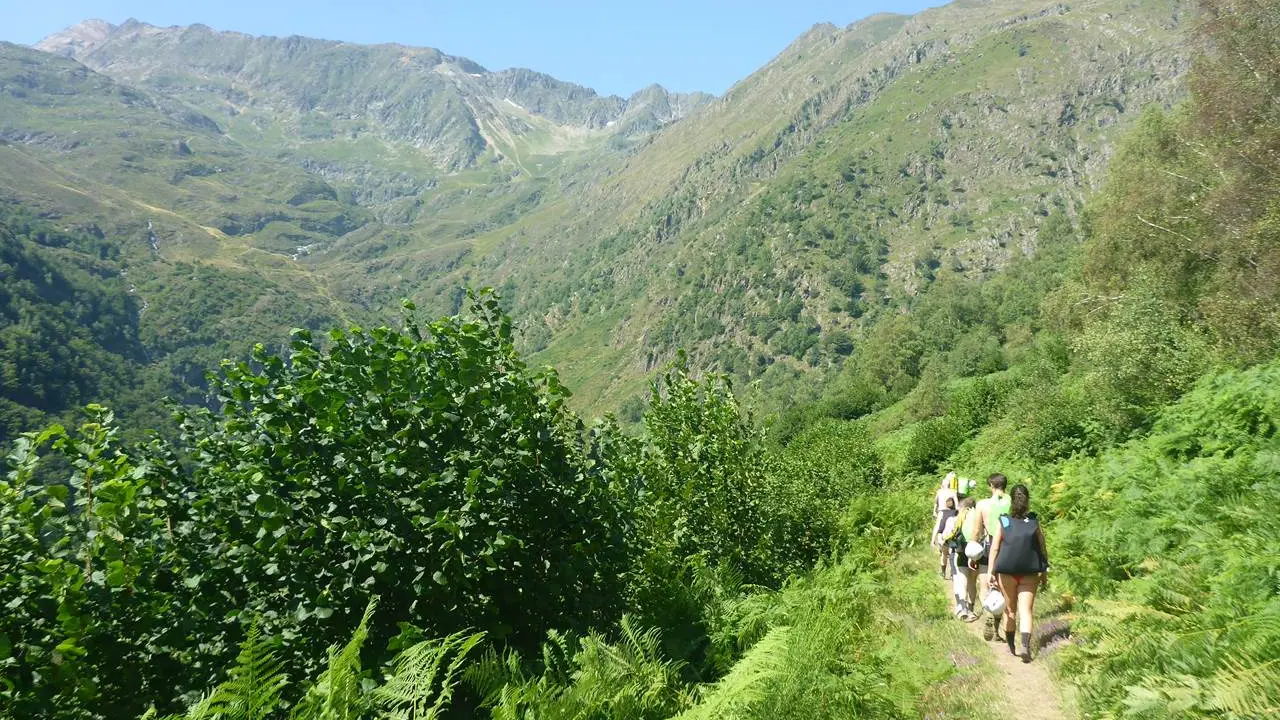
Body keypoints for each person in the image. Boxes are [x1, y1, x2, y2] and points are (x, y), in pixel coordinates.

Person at [987, 484, 1049, 663]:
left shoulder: (1004, 521)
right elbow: (1042, 547)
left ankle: (1011, 646)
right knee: (1026, 611)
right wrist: (1044, 570)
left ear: (1011, 501)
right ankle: (1025, 646)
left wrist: (992, 571)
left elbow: (995, 548)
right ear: (1027, 500)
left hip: (1006, 572)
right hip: (1030, 572)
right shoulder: (1034, 521)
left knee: (1010, 610)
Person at [973, 473, 1011, 641]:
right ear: (1005, 485)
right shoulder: (1011, 503)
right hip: (1008, 547)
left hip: (989, 545)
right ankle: (996, 629)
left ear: (991, 485)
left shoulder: (983, 504)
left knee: (985, 585)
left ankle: (988, 610)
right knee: (1003, 589)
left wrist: (972, 552)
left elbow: (976, 530)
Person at [946, 496, 979, 620]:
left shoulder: (960, 516)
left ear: (963, 506)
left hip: (961, 550)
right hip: (975, 550)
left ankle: (963, 608)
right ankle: (971, 609)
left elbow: (953, 533)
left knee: (962, 579)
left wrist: (945, 540)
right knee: (972, 581)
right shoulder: (977, 515)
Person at [933, 496, 957, 578]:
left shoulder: (942, 512)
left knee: (944, 554)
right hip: (953, 537)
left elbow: (937, 526)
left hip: (943, 536)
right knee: (952, 554)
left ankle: (943, 573)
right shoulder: (957, 513)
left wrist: (933, 538)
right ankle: (952, 573)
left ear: (946, 504)